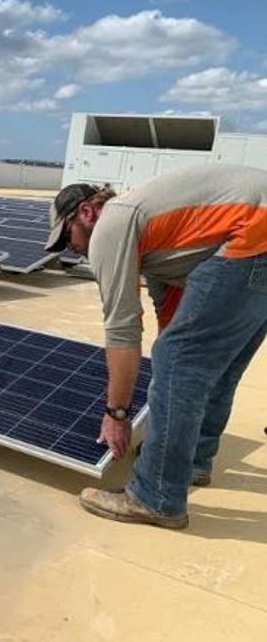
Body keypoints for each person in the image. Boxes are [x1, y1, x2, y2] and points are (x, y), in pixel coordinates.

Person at [45, 164, 267, 529]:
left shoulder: (112, 224)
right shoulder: (162, 242)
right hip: (255, 238)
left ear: (86, 213)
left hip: (252, 232)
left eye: (68, 236)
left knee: (180, 361)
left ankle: (156, 496)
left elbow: (122, 330)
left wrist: (117, 415)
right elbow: (174, 322)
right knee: (210, 364)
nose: (72, 249)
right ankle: (191, 459)